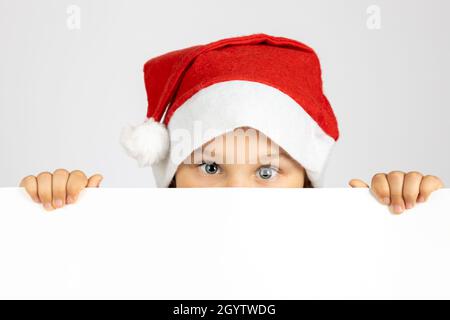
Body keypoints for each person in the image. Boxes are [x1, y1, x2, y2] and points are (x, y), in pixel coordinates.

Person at [19, 33, 445, 214]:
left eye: (266, 171)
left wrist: (409, 215)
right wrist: (55, 216)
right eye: (209, 167)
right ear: (171, 181)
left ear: (306, 185)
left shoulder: (342, 255)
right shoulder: (130, 253)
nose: (237, 194)